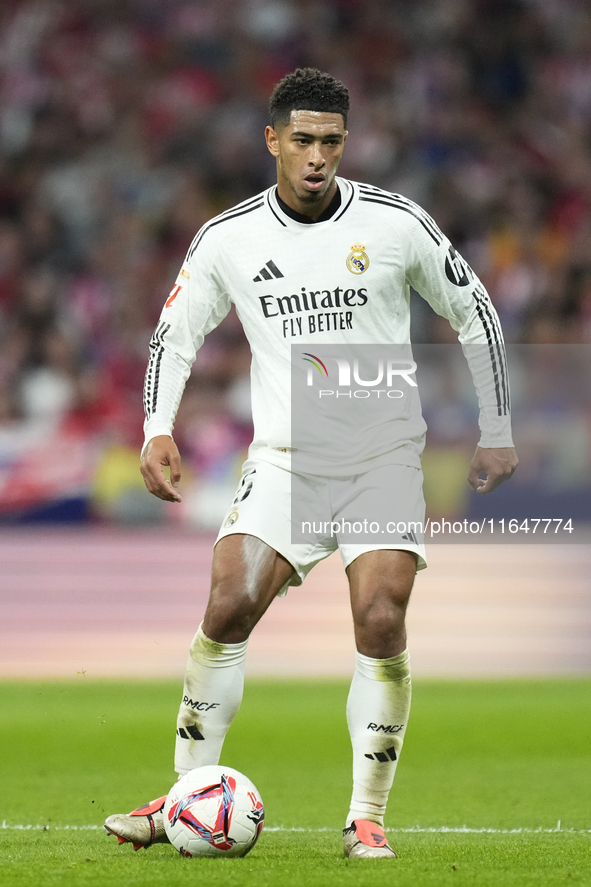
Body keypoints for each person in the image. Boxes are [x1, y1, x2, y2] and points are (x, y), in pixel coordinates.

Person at [104, 68, 518, 859]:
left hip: (379, 455)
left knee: (381, 615)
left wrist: (495, 426)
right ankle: (185, 794)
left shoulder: (396, 225)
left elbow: (477, 313)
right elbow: (173, 333)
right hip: (287, 460)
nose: (316, 155)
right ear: (272, 142)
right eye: (301, 140)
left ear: (345, 143)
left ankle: (366, 813)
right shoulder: (228, 237)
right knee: (227, 604)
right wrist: (156, 425)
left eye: (330, 140)